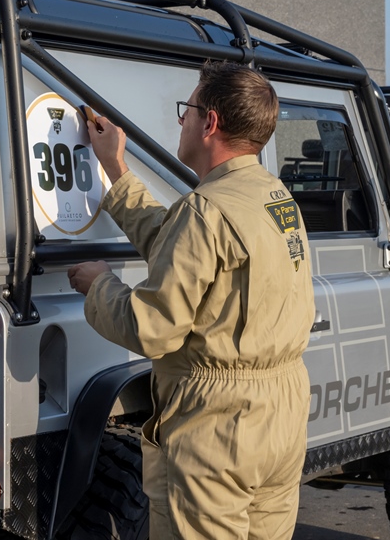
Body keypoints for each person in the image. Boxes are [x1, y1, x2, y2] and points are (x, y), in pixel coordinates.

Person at [67, 61, 315, 540]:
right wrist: (116, 169)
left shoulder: (205, 211)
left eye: (189, 109)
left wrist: (100, 286)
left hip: (218, 425)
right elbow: (180, 246)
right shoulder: (274, 196)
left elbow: (153, 328)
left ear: (210, 122)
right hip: (280, 414)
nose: (181, 120)